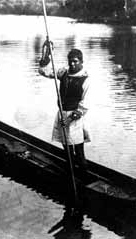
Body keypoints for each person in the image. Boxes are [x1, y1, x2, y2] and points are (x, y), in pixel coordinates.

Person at [38, 40, 91, 177]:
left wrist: (71, 119)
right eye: (70, 61)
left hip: (75, 117)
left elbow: (85, 104)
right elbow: (45, 71)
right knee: (66, 147)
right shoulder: (64, 73)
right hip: (62, 113)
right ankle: (71, 171)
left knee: (78, 149)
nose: (72, 64)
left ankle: (84, 176)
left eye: (75, 61)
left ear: (81, 61)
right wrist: (47, 54)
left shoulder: (86, 79)